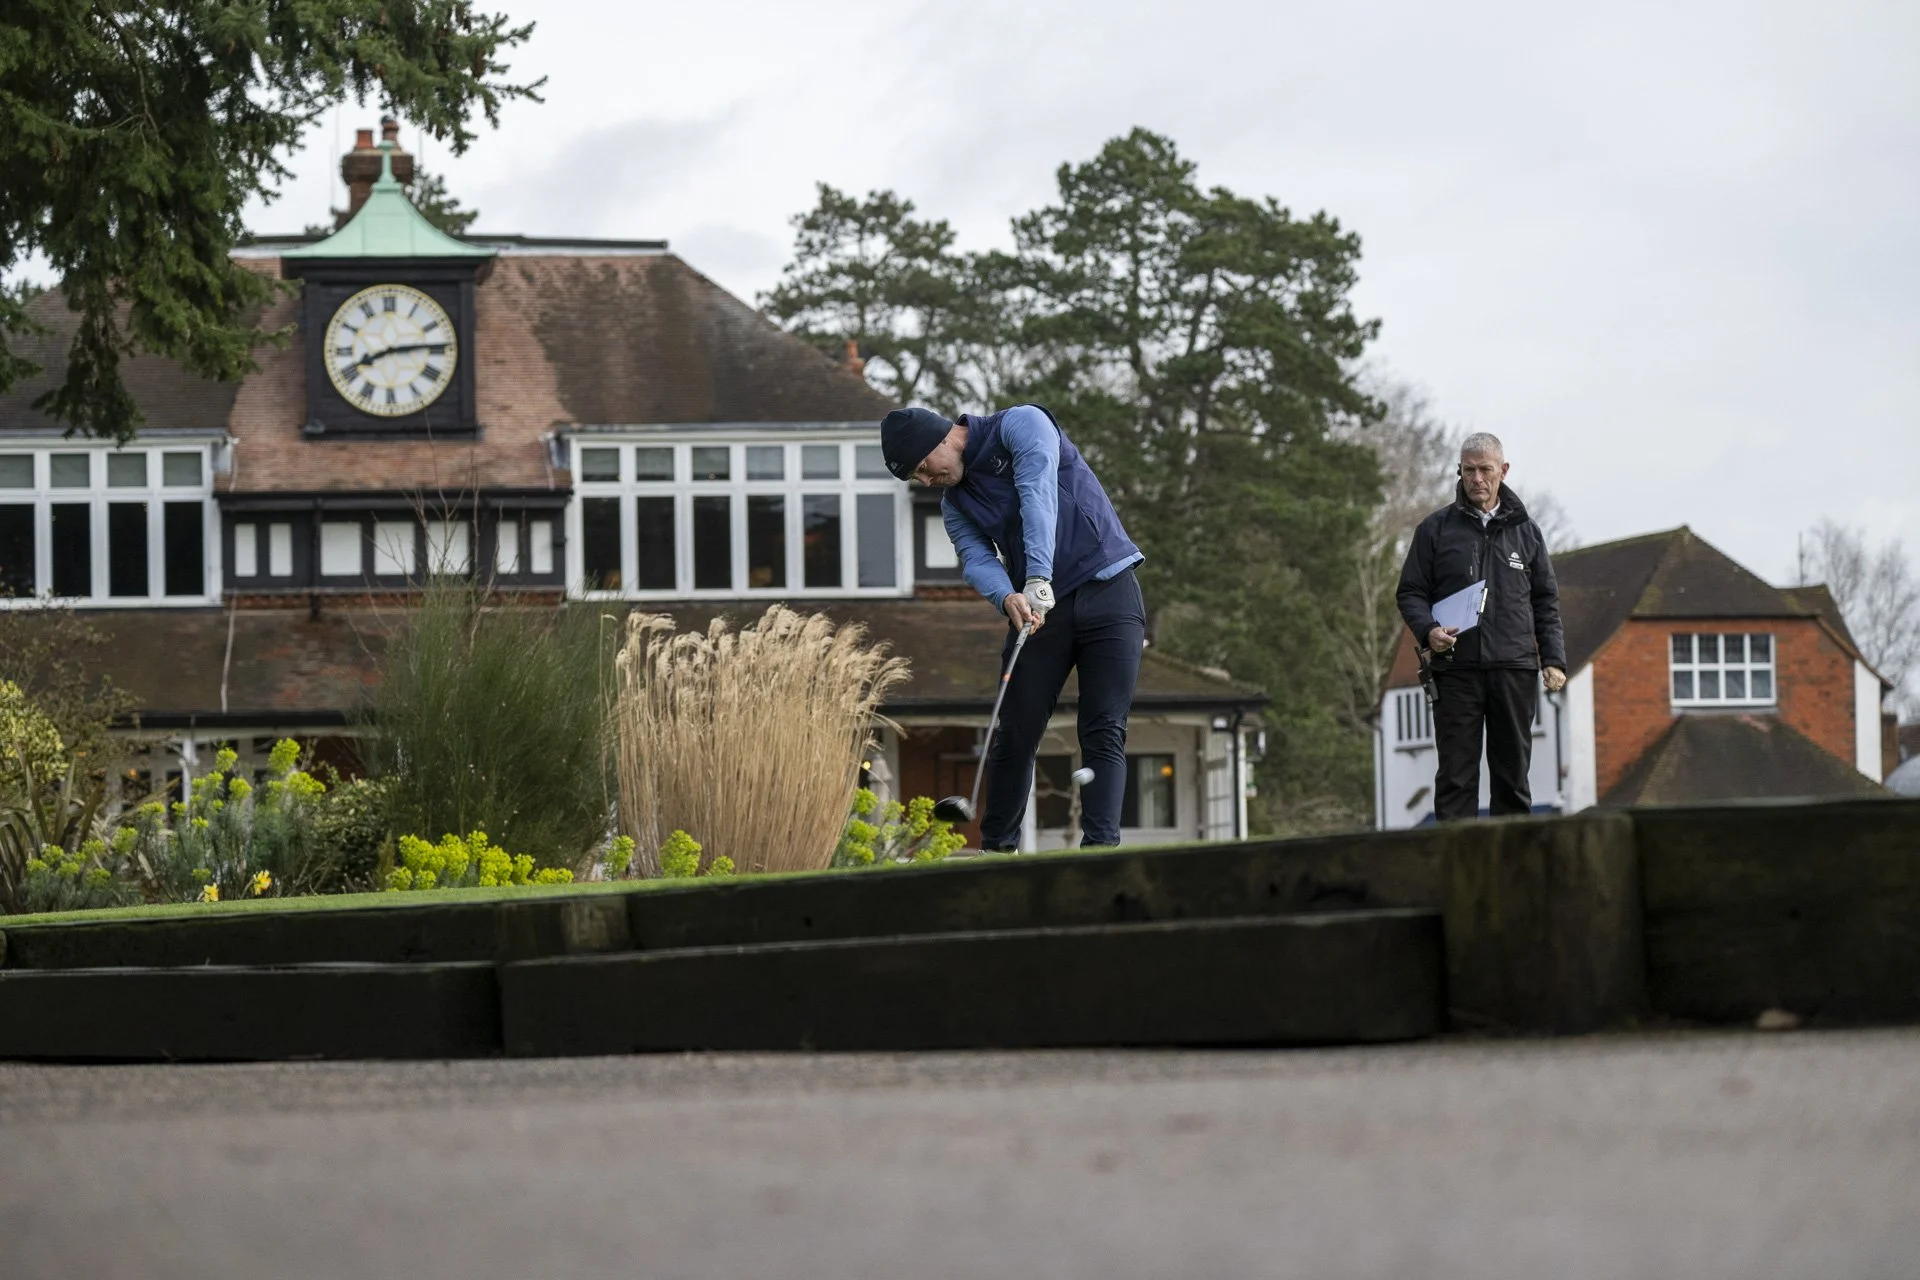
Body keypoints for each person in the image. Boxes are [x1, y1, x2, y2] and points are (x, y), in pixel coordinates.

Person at [880, 403, 1145, 850]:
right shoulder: (955, 504)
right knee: (1015, 730)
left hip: (1110, 592)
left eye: (924, 467)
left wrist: (1038, 576)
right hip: (1041, 612)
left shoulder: (1021, 425)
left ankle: (1100, 853)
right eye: (916, 478)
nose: (926, 481)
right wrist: (1007, 596)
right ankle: (996, 852)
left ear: (944, 438)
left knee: (1103, 728)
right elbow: (977, 559)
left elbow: (1036, 493)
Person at [1395, 432, 1566, 821]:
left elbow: (1545, 602)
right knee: (1455, 780)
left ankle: (1512, 872)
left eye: (1485, 470)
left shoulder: (1528, 532)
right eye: (1468, 470)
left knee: (1512, 781)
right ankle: (1457, 875)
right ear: (1459, 471)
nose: (1477, 479)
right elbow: (1410, 592)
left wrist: (1553, 659)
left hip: (1514, 670)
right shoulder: (1434, 530)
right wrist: (1428, 631)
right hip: (1455, 671)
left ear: (1503, 471)